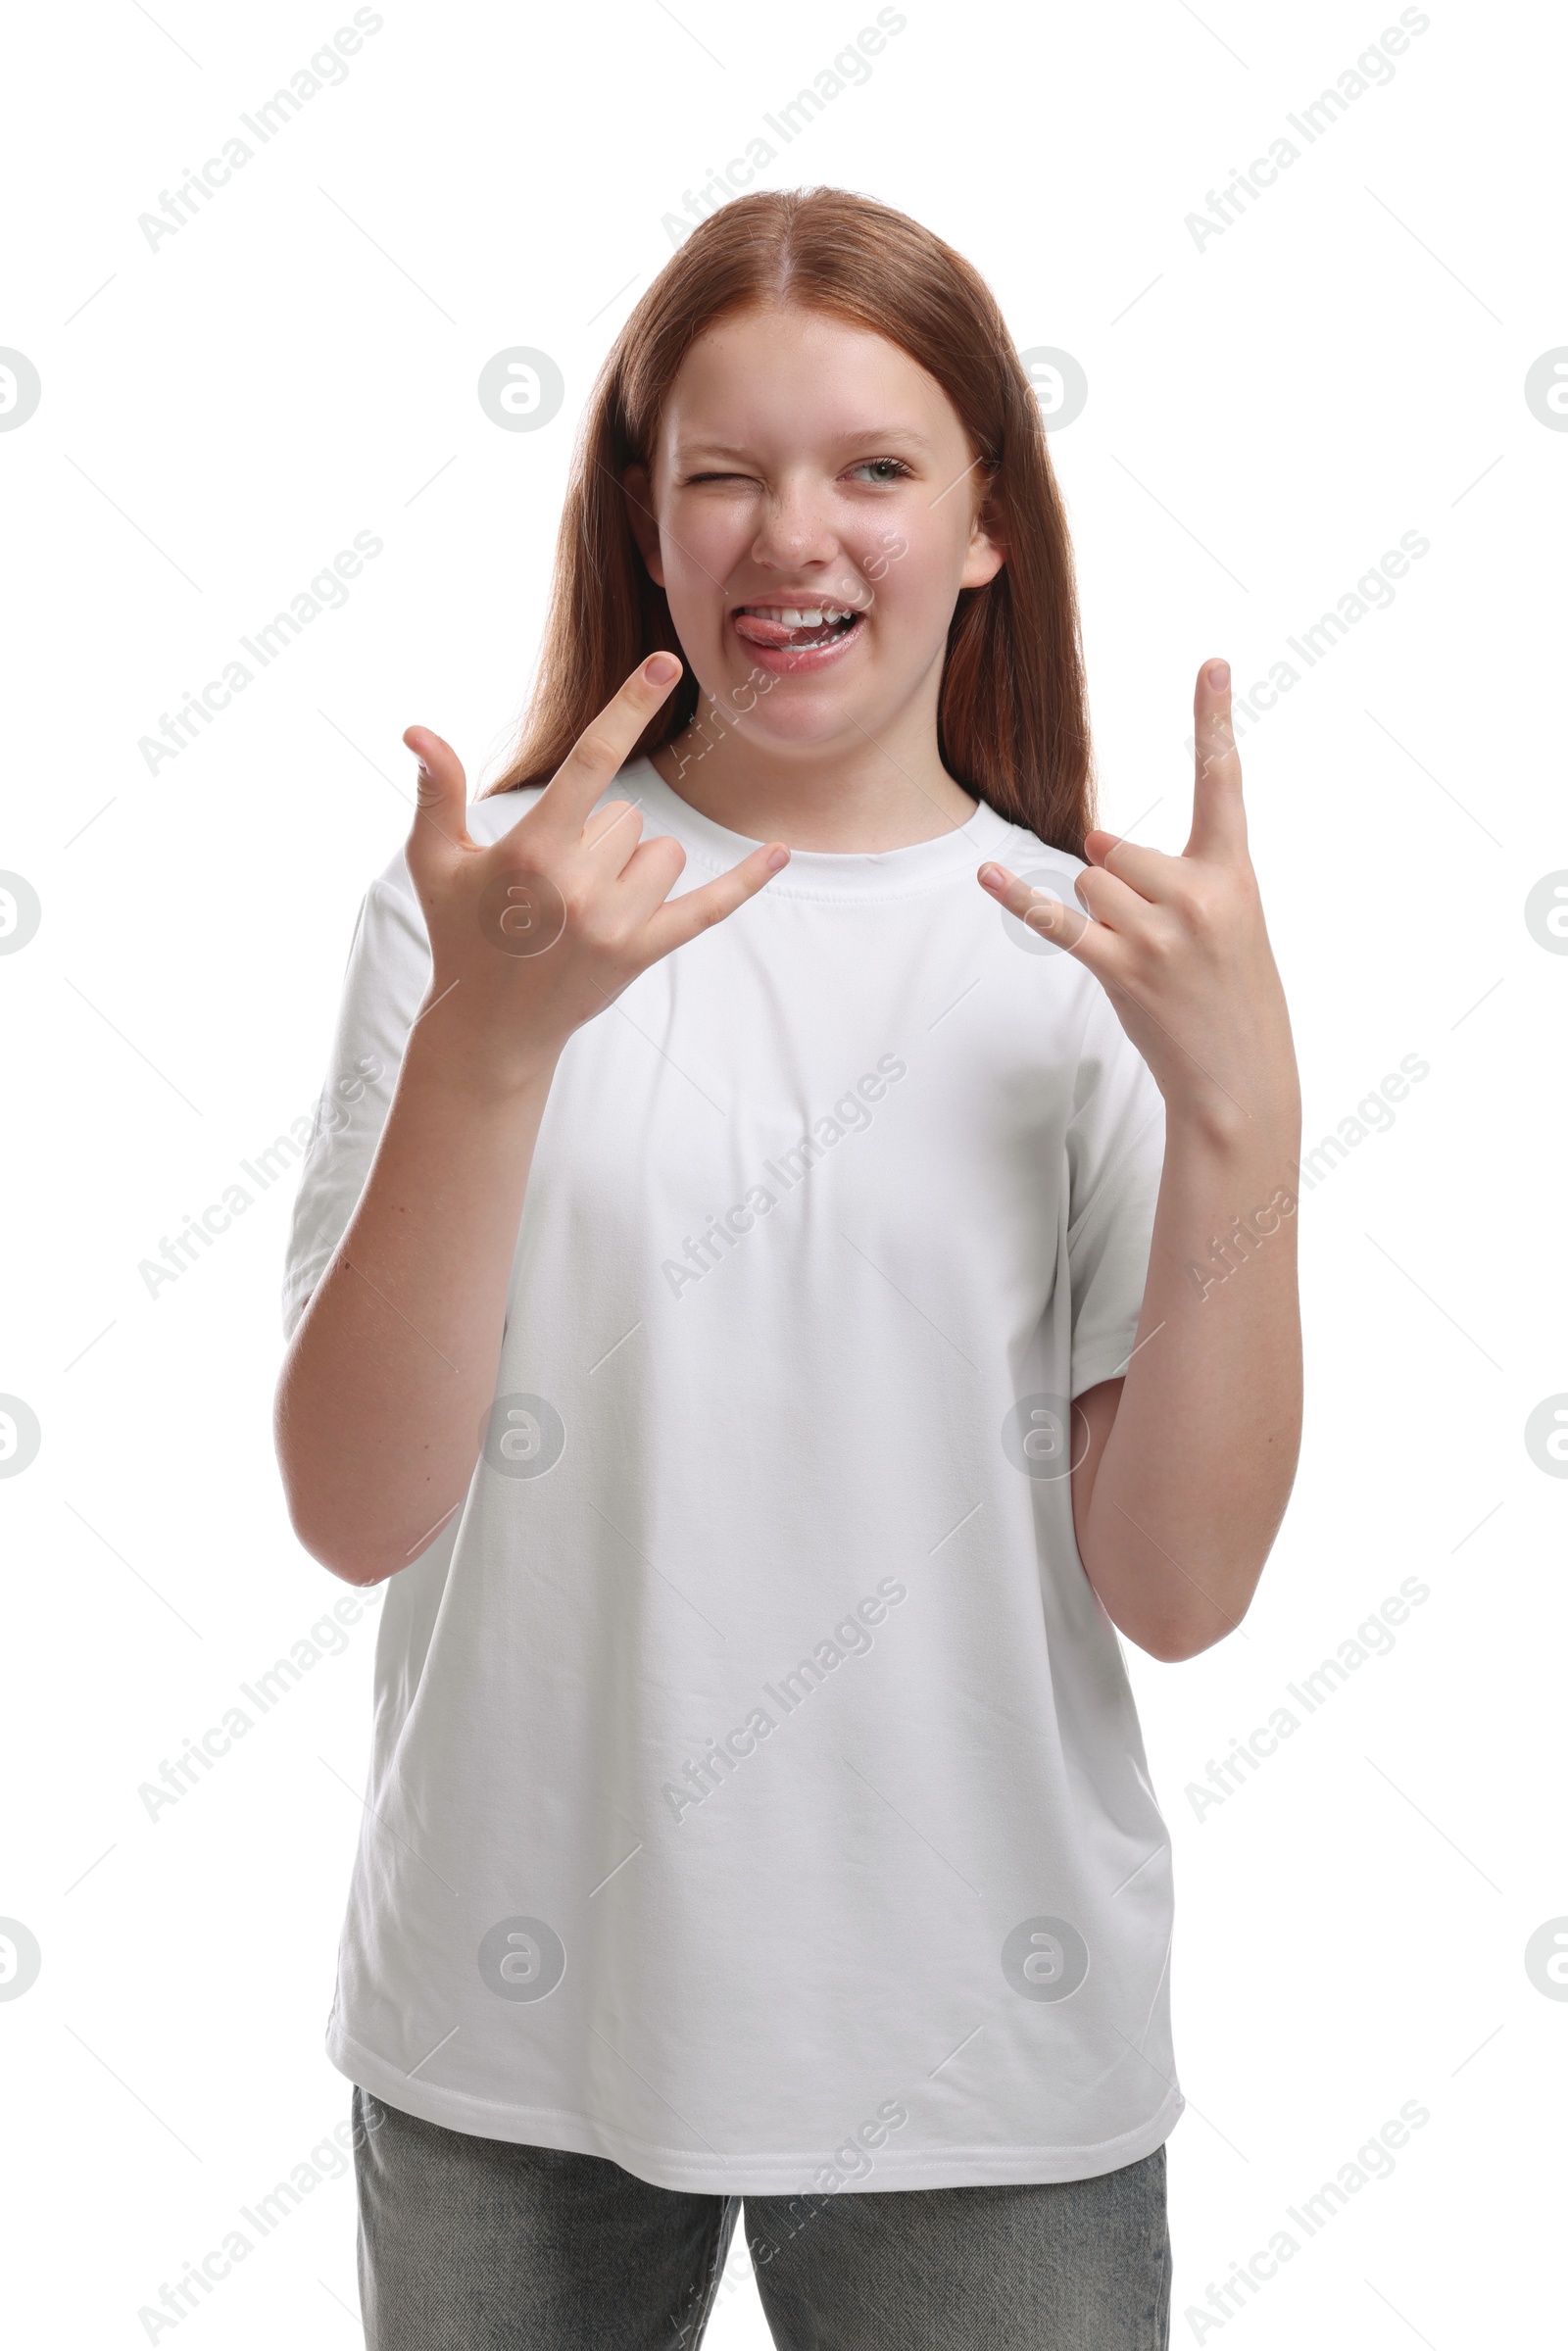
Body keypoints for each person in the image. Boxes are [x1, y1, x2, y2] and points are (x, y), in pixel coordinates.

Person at [274, 185, 1301, 2351]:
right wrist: (491, 1044)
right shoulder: (479, 921)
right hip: (507, 2013)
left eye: (871, 468)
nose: (789, 537)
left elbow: (1184, 1594)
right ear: (643, 526)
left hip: (978, 2053)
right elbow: (351, 1506)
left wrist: (1239, 1116)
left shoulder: (1093, 965)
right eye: (720, 477)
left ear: (986, 523)